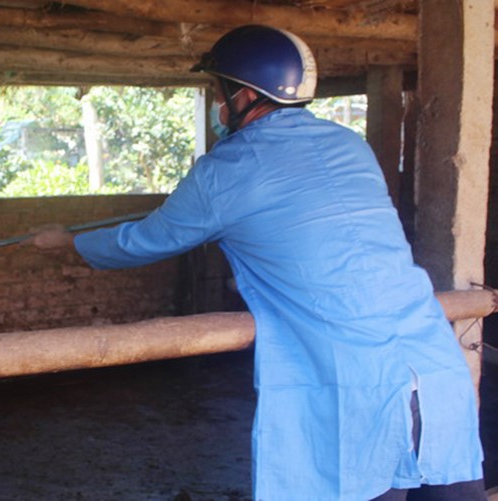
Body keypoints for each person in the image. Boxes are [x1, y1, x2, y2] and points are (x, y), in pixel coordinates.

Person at [24, 25, 486, 501]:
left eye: (216, 90)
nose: (215, 103)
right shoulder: (350, 146)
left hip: (354, 386)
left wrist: (70, 242)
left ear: (243, 95)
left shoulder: (227, 170)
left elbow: (144, 241)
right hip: (434, 370)